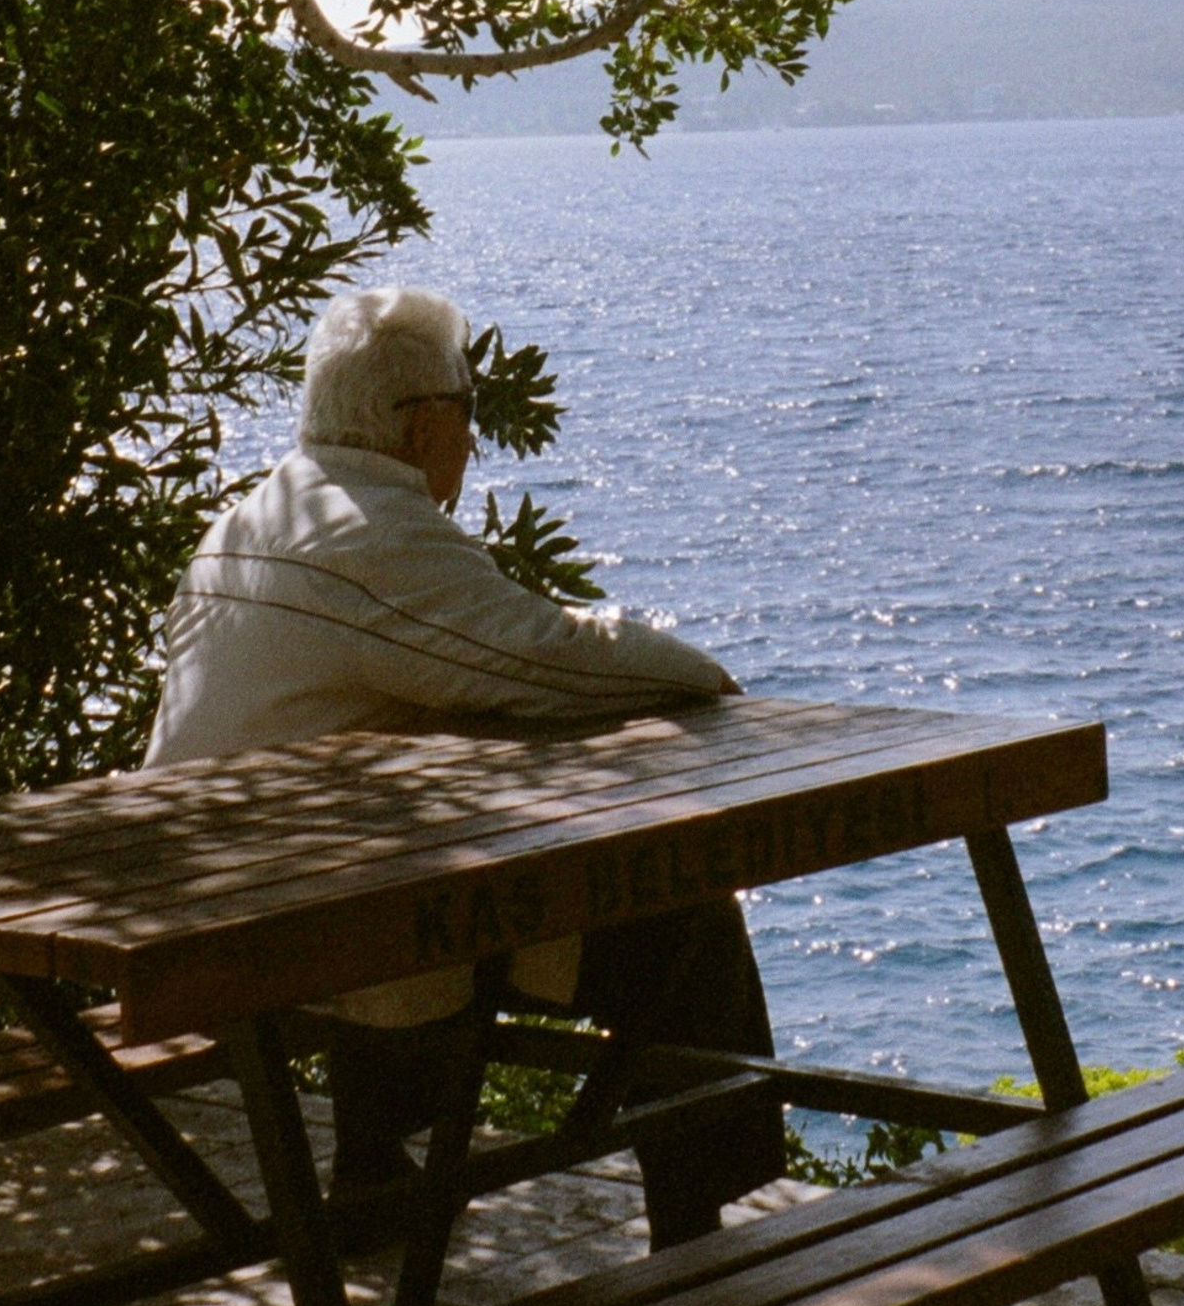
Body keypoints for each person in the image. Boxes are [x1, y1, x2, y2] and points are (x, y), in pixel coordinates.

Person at [144, 286, 787, 1247]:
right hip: (291, 935)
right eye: (469, 414)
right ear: (428, 421)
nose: (471, 439)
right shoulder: (371, 534)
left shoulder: (259, 512)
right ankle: (697, 1234)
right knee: (680, 911)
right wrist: (708, 677)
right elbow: (544, 655)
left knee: (396, 858)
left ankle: (372, 1160)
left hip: (214, 891)